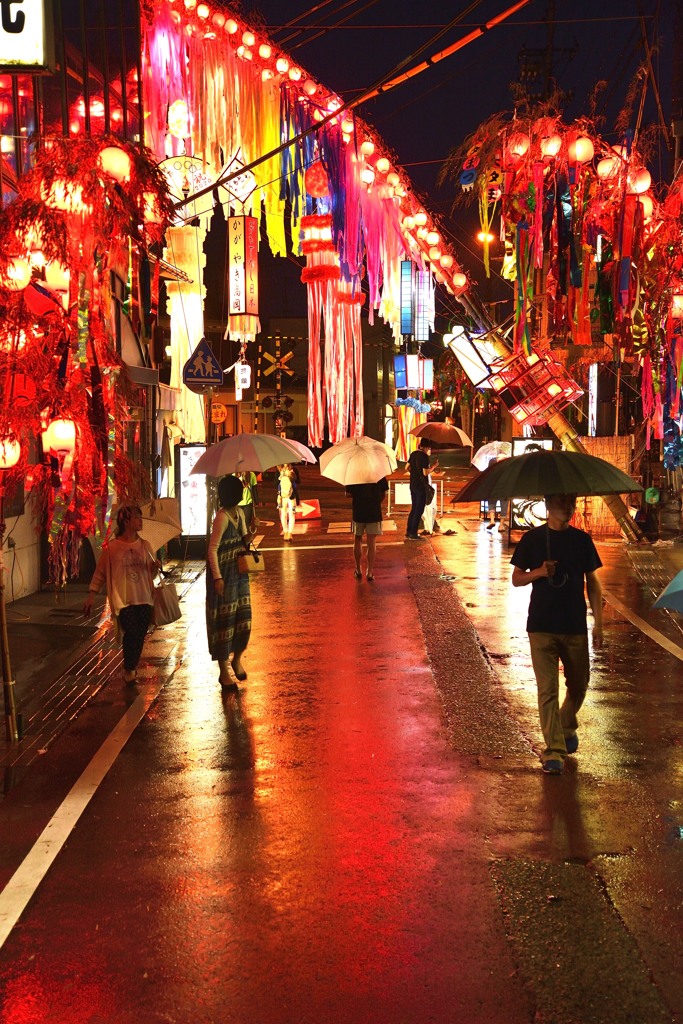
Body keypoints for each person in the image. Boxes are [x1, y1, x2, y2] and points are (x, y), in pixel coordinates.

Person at [510, 493, 603, 775]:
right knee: (547, 690)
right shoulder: (532, 539)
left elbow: (594, 584)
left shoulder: (582, 540)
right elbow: (516, 579)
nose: (568, 509)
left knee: (579, 683)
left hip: (574, 623)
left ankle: (565, 725)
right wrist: (538, 572)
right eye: (562, 504)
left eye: (571, 504)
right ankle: (554, 751)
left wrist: (598, 623)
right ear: (548, 507)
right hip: (541, 624)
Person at [83, 504, 160, 684]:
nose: (141, 521)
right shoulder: (112, 548)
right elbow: (100, 573)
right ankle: (129, 668)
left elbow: (152, 574)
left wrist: (155, 567)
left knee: (139, 634)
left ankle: (130, 668)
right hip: (122, 599)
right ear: (126, 520)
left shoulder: (145, 545)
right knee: (132, 631)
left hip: (144, 597)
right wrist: (91, 596)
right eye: (137, 517)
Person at [206, 474, 251, 688]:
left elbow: (245, 541)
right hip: (224, 576)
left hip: (240, 575)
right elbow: (212, 549)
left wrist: (253, 530)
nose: (243, 491)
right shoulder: (221, 517)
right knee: (224, 624)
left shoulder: (240, 513)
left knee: (244, 620)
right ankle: (224, 672)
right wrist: (217, 578)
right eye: (239, 489)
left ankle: (237, 659)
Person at [346, 477, 389, 581]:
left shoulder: (354, 474)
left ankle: (358, 569)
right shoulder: (378, 474)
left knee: (357, 539)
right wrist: (376, 503)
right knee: (371, 541)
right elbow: (384, 494)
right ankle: (369, 572)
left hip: (358, 511)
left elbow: (347, 494)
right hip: (374, 512)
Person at [406, 438, 434, 540]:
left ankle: (409, 531)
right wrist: (434, 466)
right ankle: (413, 533)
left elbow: (407, 467)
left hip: (413, 484)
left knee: (414, 508)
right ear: (426, 447)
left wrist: (414, 473)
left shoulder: (413, 454)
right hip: (421, 486)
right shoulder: (424, 456)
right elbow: (425, 473)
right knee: (419, 509)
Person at [277, 464, 296, 541]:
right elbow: (275, 483)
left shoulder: (293, 470)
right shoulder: (278, 471)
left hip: (291, 496)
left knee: (292, 514)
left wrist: (291, 475)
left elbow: (297, 482)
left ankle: (290, 533)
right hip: (282, 496)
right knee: (283, 514)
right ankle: (285, 532)